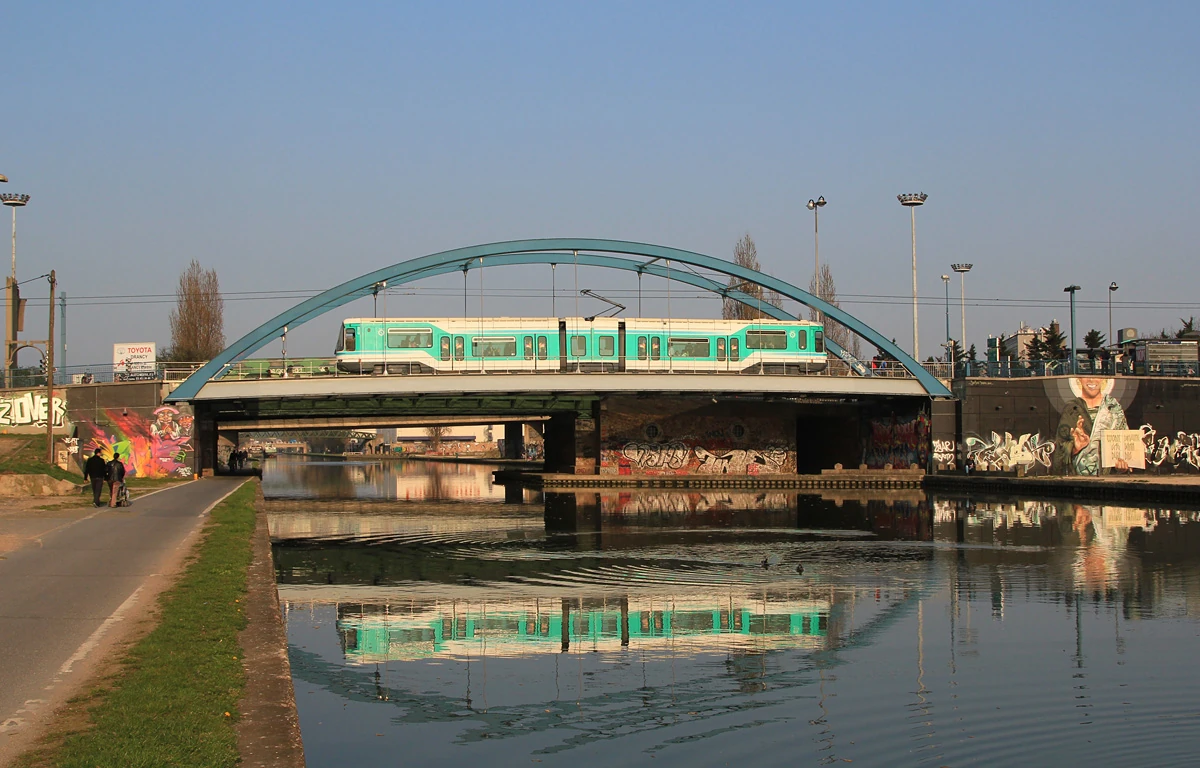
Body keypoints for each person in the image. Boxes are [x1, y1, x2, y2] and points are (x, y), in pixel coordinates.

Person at [1054, 376, 1129, 476]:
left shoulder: (1113, 408)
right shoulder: (1071, 409)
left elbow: (1125, 449)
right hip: (1078, 482)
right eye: (1086, 375)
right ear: (1079, 378)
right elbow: (1058, 453)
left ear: (1103, 379)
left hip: (1108, 482)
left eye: (1096, 375)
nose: (1091, 380)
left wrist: (1122, 467)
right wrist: (1075, 448)